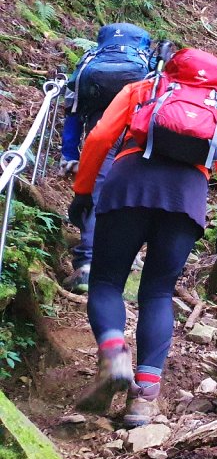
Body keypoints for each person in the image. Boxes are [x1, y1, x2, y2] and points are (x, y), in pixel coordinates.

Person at [68, 48, 217, 427]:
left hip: (129, 186)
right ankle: (144, 400)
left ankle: (114, 354)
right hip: (186, 199)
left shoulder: (144, 89)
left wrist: (83, 191)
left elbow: (99, 137)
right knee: (159, 294)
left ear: (169, 67)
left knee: (107, 282)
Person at [60, 23, 155, 293]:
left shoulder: (90, 60)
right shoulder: (148, 62)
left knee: (98, 191)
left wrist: (69, 153)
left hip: (100, 130)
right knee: (130, 192)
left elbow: (73, 110)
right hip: (136, 134)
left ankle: (87, 263)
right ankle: (127, 257)